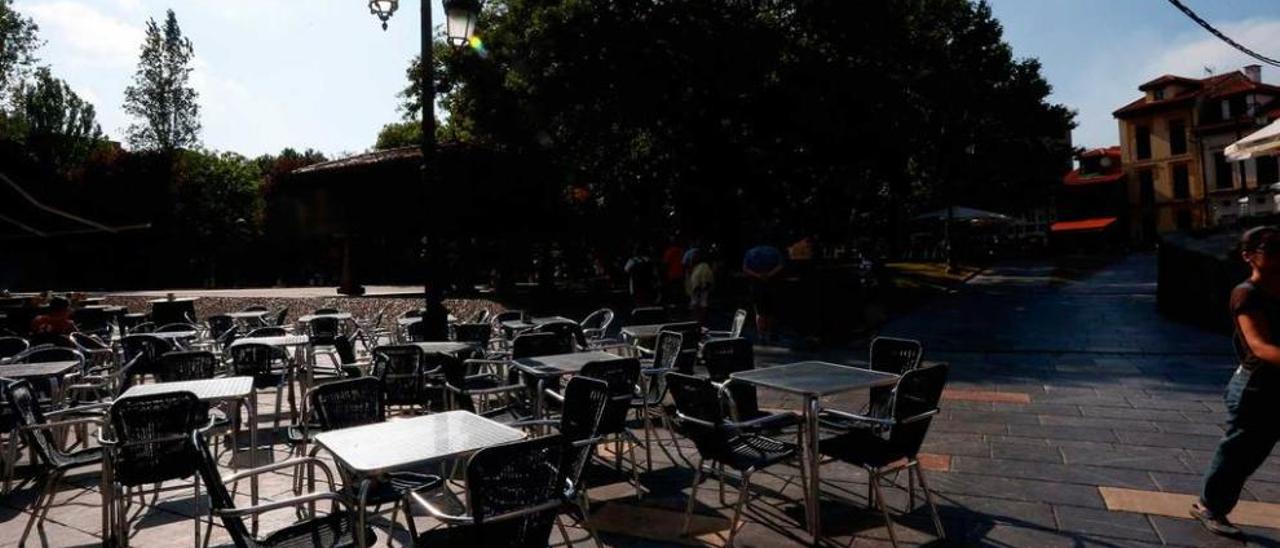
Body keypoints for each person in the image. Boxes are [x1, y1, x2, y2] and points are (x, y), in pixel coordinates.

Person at [1193, 226, 1280, 537]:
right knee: (1240, 453)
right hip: (1256, 387)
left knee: (1245, 451)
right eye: (1271, 251)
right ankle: (1210, 506)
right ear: (1248, 257)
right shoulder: (1246, 294)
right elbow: (1259, 345)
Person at [744, 244, 785, 343]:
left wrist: (758, 275)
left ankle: (761, 335)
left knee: (759, 312)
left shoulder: (750, 252)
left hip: (756, 285)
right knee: (771, 311)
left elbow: (745, 268)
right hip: (772, 284)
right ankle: (769, 333)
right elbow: (781, 266)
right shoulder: (774, 251)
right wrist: (769, 274)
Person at [686, 248, 715, 324]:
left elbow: (702, 279)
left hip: (700, 287)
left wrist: (698, 287)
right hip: (701, 286)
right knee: (701, 302)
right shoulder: (702, 267)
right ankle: (699, 320)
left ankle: (697, 320)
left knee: (698, 302)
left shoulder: (702, 267)